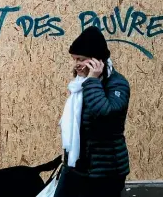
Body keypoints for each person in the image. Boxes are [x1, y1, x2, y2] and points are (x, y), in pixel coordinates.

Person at [54, 26, 131, 197]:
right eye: (74, 60)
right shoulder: (80, 85)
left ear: (96, 60)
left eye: (80, 59)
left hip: (106, 171)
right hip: (77, 165)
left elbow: (104, 113)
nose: (77, 65)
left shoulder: (117, 84)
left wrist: (92, 81)